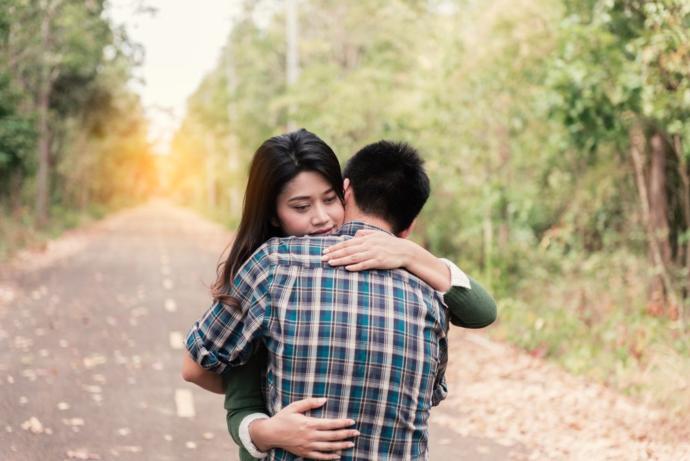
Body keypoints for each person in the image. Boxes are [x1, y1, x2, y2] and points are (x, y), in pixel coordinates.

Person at [183, 130, 496, 460]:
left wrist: (411, 254)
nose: (320, 218)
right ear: (273, 212)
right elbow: (214, 381)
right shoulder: (425, 292)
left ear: (345, 192)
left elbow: (483, 311)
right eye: (301, 206)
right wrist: (266, 429)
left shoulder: (272, 268)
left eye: (329, 200)